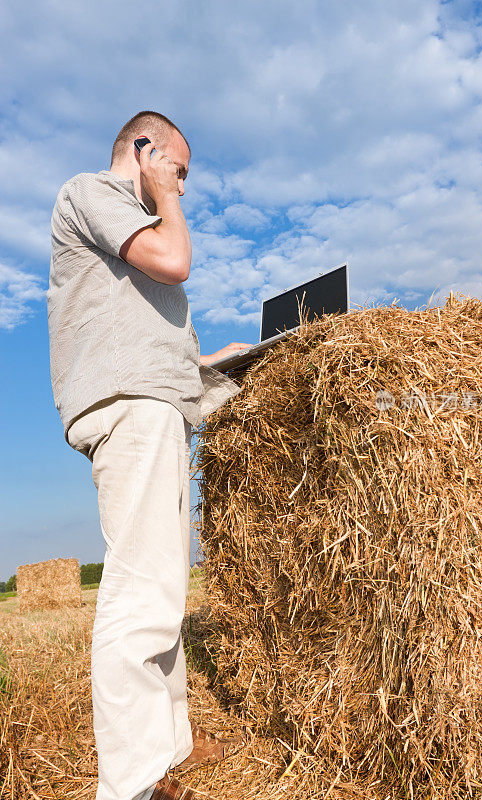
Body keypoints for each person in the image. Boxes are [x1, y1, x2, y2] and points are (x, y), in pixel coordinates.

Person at [47, 111, 251, 800]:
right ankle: (131, 785)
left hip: (158, 404)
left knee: (164, 588)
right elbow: (175, 259)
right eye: (178, 169)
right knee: (141, 595)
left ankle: (170, 750)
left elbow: (178, 357)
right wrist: (162, 193)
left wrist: (246, 359)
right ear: (144, 150)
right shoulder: (94, 192)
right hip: (131, 410)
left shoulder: (134, 247)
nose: (183, 188)